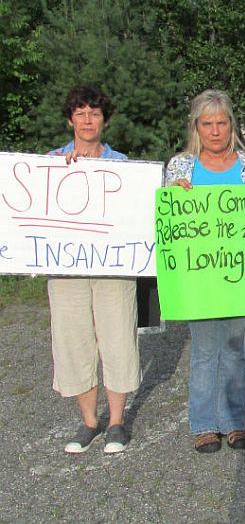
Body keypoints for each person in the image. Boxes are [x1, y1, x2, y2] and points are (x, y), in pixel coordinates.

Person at [164, 89, 245, 453]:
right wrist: (172, 195)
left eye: (221, 123)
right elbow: (168, 223)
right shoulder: (180, 166)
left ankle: (234, 422)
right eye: (207, 124)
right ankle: (204, 424)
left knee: (234, 349)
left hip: (240, 275)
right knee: (205, 351)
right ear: (196, 126)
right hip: (198, 277)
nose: (214, 131)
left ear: (231, 125)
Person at [48, 85, 140, 454]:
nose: (88, 120)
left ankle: (116, 423)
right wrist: (57, 173)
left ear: (104, 120)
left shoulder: (122, 165)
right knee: (73, 342)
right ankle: (89, 422)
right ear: (70, 119)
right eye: (81, 113)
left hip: (112, 266)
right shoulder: (50, 163)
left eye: (95, 113)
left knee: (117, 337)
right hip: (66, 268)